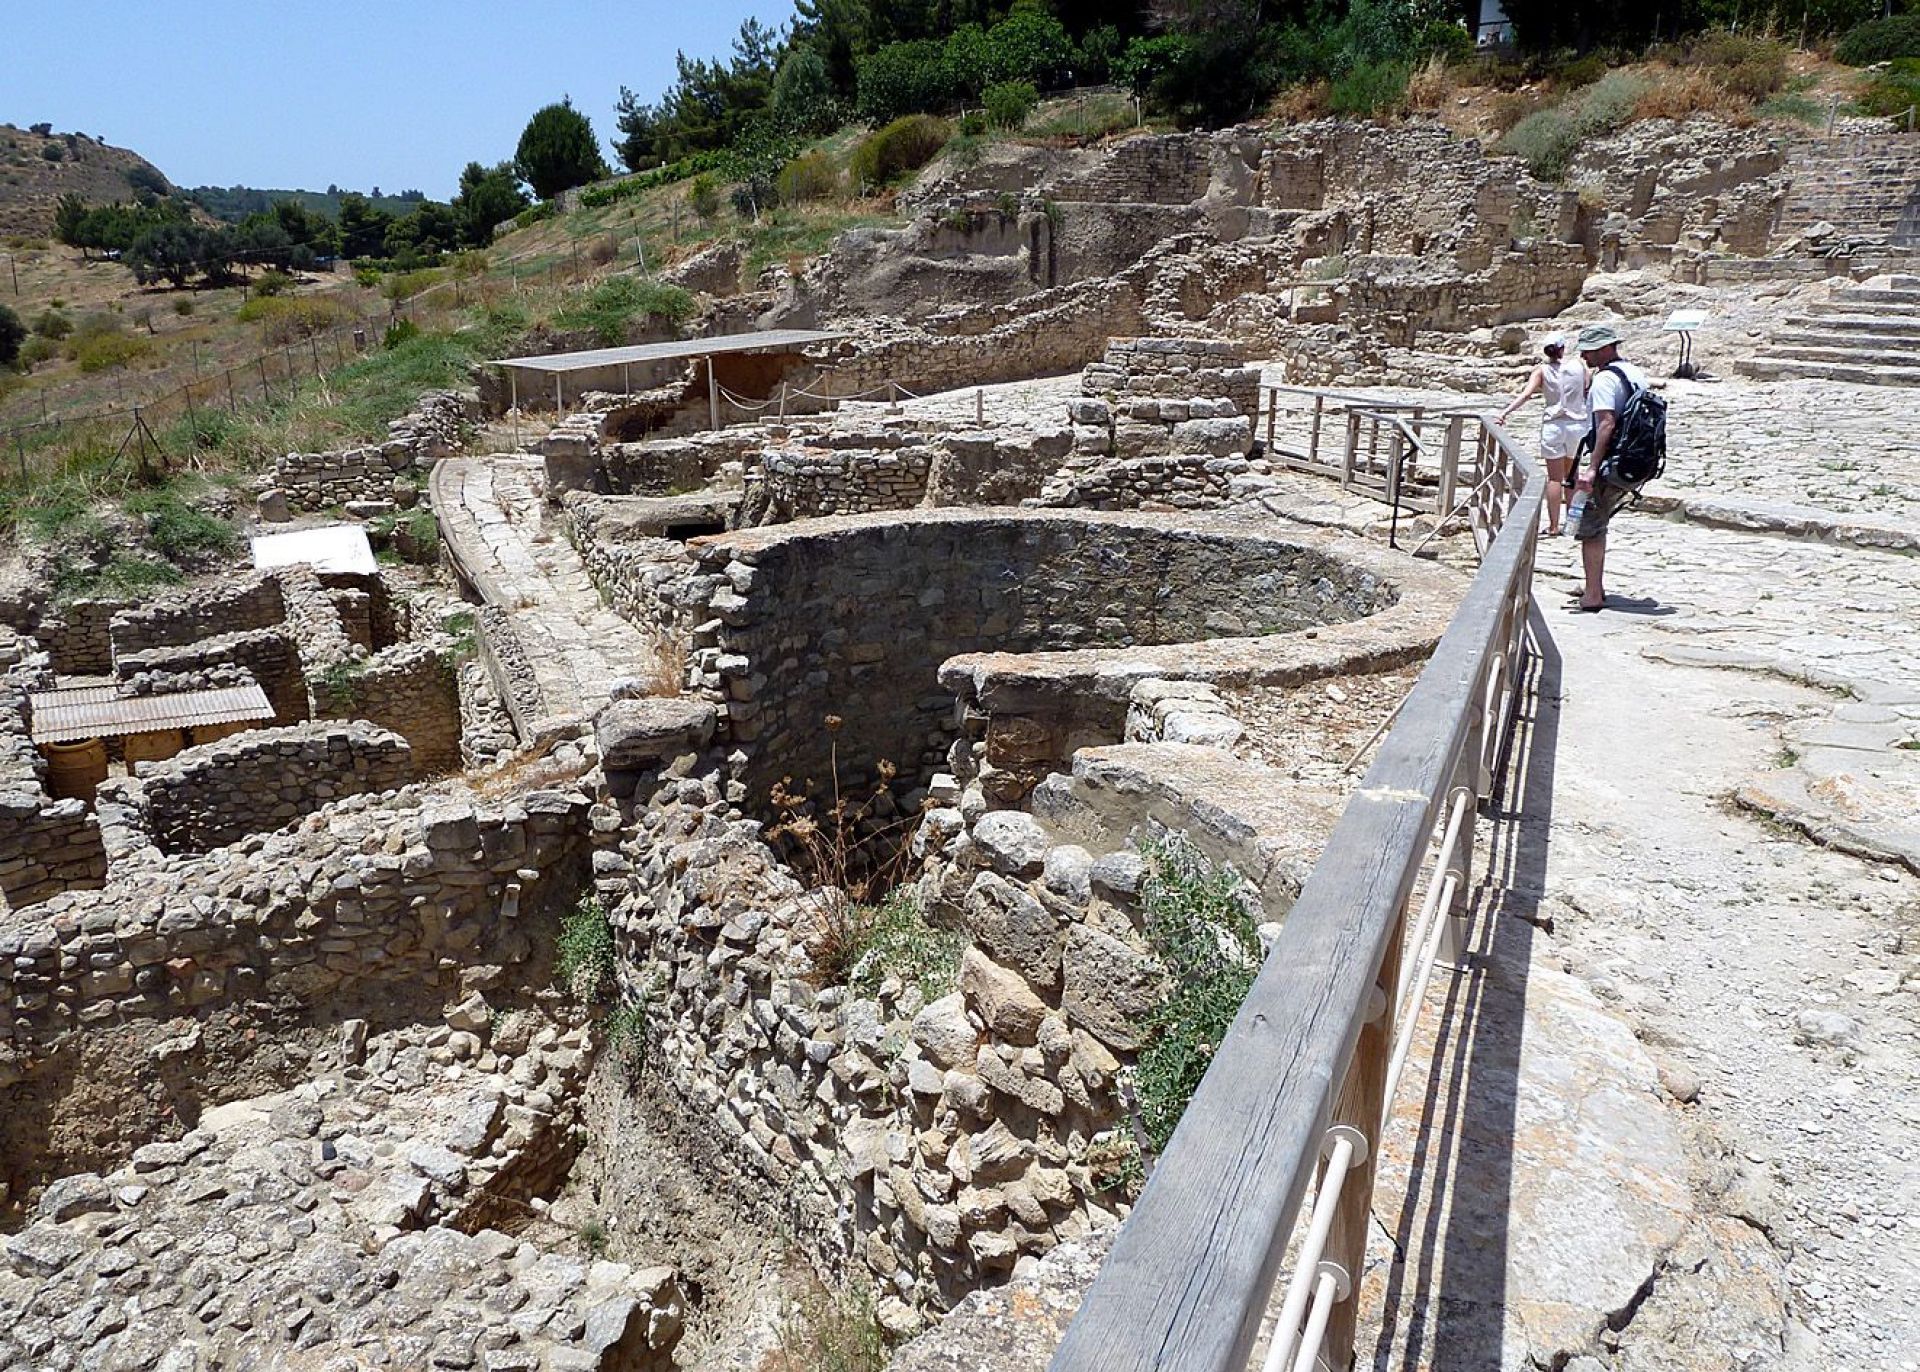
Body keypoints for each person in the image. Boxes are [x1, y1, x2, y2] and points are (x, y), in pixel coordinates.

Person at [1569, 323, 1648, 612]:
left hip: (1610, 463)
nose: (1585, 357)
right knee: (1599, 521)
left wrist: (1591, 468)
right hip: (1633, 461)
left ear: (1604, 349)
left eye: (1588, 351)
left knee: (1591, 527)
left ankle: (1592, 594)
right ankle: (1595, 583)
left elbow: (1606, 423)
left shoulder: (1604, 380)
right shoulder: (1635, 374)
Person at [1498, 336, 1589, 535]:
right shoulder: (1579, 366)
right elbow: (1587, 389)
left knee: (1554, 479)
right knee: (1572, 474)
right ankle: (1573, 524)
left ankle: (1554, 525)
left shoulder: (1541, 371)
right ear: (1563, 348)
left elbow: (1526, 394)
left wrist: (1505, 412)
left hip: (1553, 426)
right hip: (1577, 426)